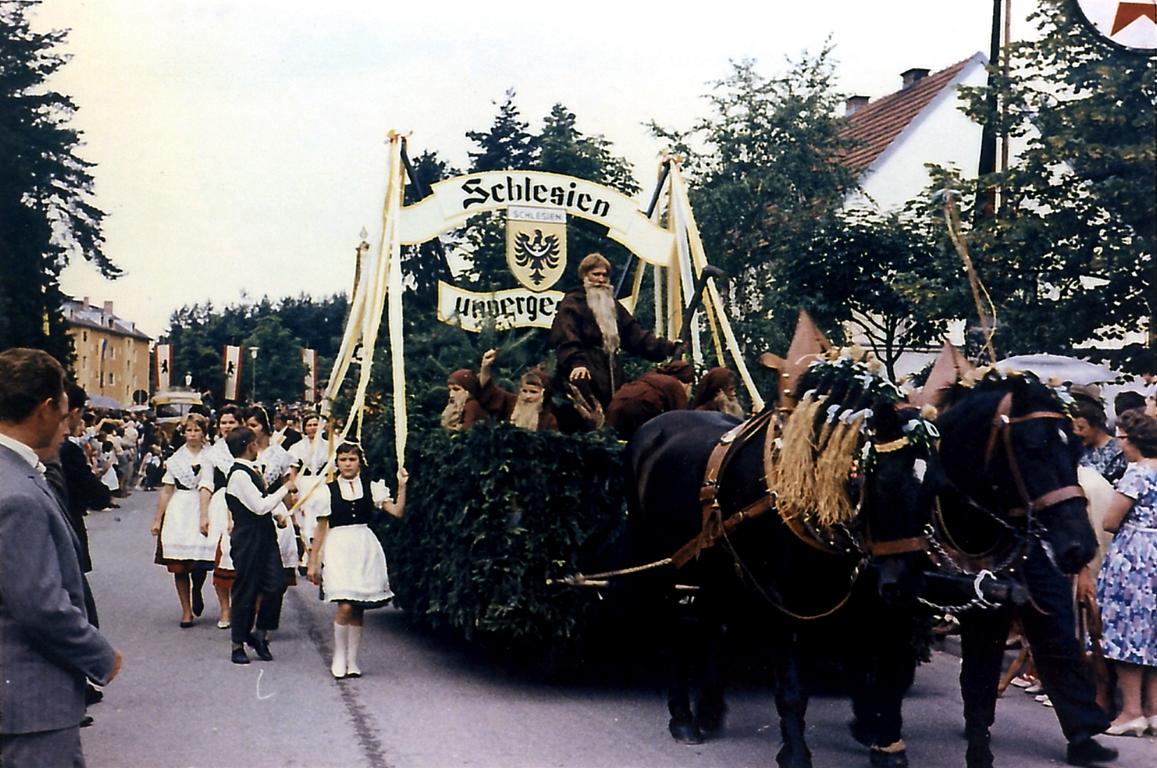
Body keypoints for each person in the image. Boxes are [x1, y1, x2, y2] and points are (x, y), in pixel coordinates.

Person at [0, 348, 121, 767]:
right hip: (29, 704)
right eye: (67, 414)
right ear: (45, 409)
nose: (70, 428)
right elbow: (38, 603)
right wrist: (101, 656)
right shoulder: (18, 493)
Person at [307, 442, 406, 679]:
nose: (347, 464)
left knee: (358, 606)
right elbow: (321, 529)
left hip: (363, 545)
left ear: (359, 461)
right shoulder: (328, 490)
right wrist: (313, 561)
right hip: (339, 546)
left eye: (351, 459)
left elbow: (397, 511)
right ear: (337, 463)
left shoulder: (370, 487)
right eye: (343, 460)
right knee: (345, 605)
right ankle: (339, 656)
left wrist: (402, 486)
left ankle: (352, 660)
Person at [549, 252, 680, 408]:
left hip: (611, 369)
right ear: (584, 275)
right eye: (595, 274)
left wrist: (668, 347)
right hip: (584, 371)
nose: (601, 279)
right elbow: (567, 336)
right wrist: (577, 363)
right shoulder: (573, 303)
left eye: (604, 275)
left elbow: (635, 335)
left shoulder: (612, 305)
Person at [1095, 410, 1157, 737]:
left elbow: (1110, 521)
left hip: (1136, 555)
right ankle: (1154, 709)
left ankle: (1132, 710)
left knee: (1128, 631)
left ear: (1133, 441)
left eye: (1122, 438)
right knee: (1154, 633)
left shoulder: (1136, 474)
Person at [225, 426, 295, 664]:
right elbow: (258, 506)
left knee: (276, 584)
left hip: (265, 535)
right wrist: (286, 487)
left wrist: (278, 514)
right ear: (249, 445)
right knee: (246, 588)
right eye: (255, 443)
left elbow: (263, 500)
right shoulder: (238, 475)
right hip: (247, 538)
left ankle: (260, 633)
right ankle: (237, 643)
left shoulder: (252, 472)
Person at [150, 413, 215, 627]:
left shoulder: (212, 455)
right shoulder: (175, 459)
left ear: (204, 432)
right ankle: (186, 610)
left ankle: (197, 588)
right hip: (181, 508)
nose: (193, 434)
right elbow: (167, 491)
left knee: (199, 561)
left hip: (204, 505)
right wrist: (158, 520)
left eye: (197, 430)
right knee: (179, 563)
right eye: (189, 430)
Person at [244, 405, 300, 587]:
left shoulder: (280, 454)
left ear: (264, 427)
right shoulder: (245, 452)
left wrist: (292, 513)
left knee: (277, 562)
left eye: (254, 425)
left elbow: (286, 484)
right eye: (247, 426)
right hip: (250, 507)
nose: (250, 430)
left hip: (274, 505)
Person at [199, 405, 242, 629]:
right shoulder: (212, 453)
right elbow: (206, 484)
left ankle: (241, 607)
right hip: (221, 505)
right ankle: (225, 609)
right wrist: (203, 515)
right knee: (221, 558)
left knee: (242, 559)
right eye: (224, 422)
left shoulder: (247, 447)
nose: (227, 426)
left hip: (245, 503)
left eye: (231, 422)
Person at [605, 359, 695, 440]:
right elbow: (680, 419)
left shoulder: (651, 376)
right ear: (685, 382)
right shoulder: (674, 385)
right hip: (639, 411)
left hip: (614, 408)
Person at [288, 412, 332, 570]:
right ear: (304, 428)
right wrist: (293, 491)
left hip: (322, 485)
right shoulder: (297, 448)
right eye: (309, 425)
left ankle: (321, 556)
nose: (313, 428)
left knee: (319, 521)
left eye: (315, 425)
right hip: (304, 485)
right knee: (304, 522)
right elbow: (293, 470)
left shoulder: (329, 446)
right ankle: (306, 555)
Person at [477, 349, 558, 431]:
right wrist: (485, 367)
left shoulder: (549, 420)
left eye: (533, 392)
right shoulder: (511, 402)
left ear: (543, 393)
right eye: (524, 391)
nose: (527, 396)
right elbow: (489, 391)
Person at [1072, 395, 1127, 483]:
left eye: (1081, 428)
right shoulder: (1077, 451)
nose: (1076, 433)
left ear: (1096, 426)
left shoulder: (1120, 450)